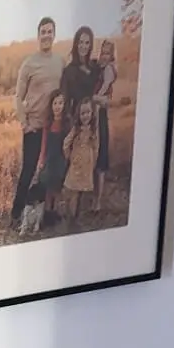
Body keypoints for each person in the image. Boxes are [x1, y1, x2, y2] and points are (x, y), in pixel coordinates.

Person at [10, 18, 64, 228]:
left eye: (50, 31)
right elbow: (18, 97)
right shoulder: (29, 63)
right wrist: (25, 124)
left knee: (49, 172)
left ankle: (44, 215)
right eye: (43, 32)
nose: (47, 35)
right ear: (38, 35)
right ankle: (16, 214)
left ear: (54, 34)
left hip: (52, 128)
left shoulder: (59, 62)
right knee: (29, 170)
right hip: (34, 127)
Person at [21, 88, 68, 233]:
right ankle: (46, 216)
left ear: (64, 104)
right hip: (49, 159)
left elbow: (68, 144)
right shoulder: (48, 124)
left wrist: (67, 159)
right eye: (55, 103)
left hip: (61, 159)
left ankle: (55, 213)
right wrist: (41, 161)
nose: (58, 106)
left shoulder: (66, 123)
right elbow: (44, 144)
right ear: (51, 106)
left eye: (60, 103)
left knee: (57, 188)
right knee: (47, 187)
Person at [63, 97, 100, 217]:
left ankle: (78, 215)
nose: (85, 116)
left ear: (92, 113)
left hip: (87, 164)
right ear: (78, 115)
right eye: (82, 113)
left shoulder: (93, 130)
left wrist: (94, 161)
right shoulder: (76, 129)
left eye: (88, 112)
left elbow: (96, 146)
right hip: (77, 163)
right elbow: (66, 143)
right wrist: (69, 156)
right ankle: (71, 216)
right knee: (74, 190)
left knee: (83, 190)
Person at [94, 40, 117, 204]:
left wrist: (93, 97)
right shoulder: (98, 68)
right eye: (103, 52)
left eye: (107, 53)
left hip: (100, 114)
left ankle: (98, 200)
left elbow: (103, 93)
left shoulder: (109, 70)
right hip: (93, 113)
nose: (104, 56)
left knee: (101, 156)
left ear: (111, 55)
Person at [62, 27, 101, 116]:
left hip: (95, 116)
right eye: (81, 42)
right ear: (76, 44)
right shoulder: (69, 71)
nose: (84, 46)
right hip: (77, 118)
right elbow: (66, 101)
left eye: (87, 43)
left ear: (90, 45)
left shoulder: (95, 67)